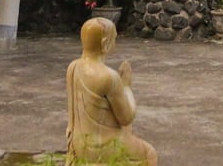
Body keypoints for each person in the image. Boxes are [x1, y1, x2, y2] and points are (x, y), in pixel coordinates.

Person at [66, 17, 158, 166]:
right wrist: (126, 86)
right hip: (101, 146)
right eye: (114, 39)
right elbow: (126, 118)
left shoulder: (73, 67)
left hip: (78, 143)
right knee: (149, 153)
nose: (115, 43)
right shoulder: (109, 76)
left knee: (127, 132)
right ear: (105, 43)